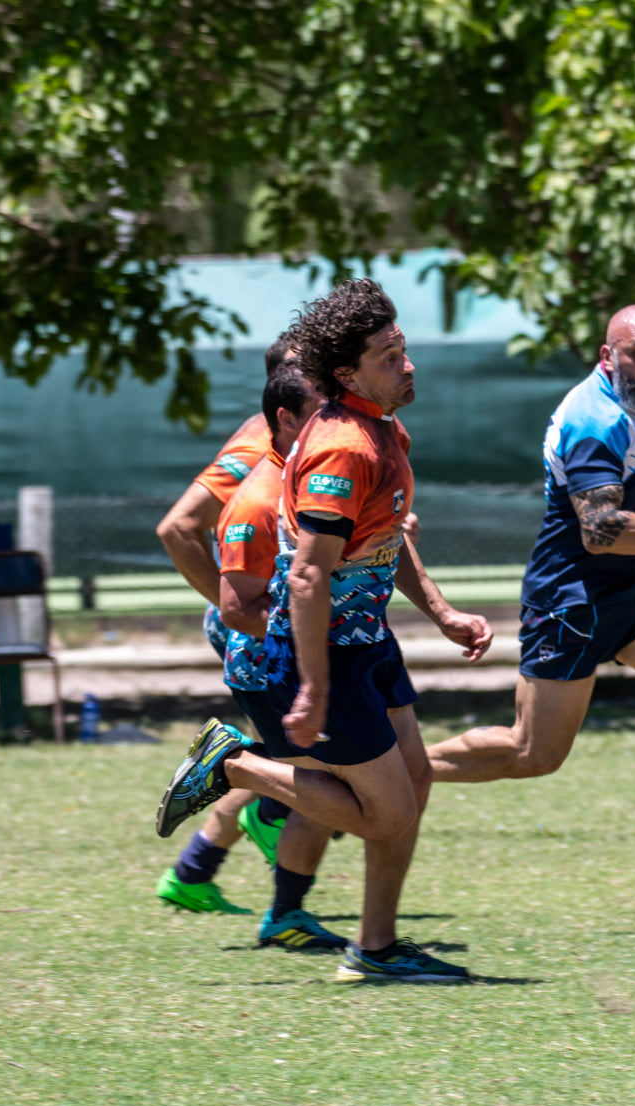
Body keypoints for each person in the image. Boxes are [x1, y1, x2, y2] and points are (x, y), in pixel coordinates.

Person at [156, 278, 494, 983]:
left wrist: (441, 611)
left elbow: (384, 540)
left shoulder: (382, 427)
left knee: (414, 783)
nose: (407, 365)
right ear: (347, 373)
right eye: (388, 355)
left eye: (403, 349)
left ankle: (375, 947)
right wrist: (310, 684)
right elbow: (308, 576)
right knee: (386, 813)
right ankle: (234, 765)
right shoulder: (343, 447)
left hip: (366, 642)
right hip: (329, 655)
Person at [423, 306, 635, 831]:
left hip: (631, 590)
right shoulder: (595, 420)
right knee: (533, 754)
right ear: (608, 355)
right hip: (571, 601)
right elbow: (600, 532)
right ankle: (397, 770)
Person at [153, 335, 298, 913]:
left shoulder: (321, 437)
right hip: (254, 621)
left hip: (277, 617)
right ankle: (272, 817)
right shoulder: (263, 440)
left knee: (296, 755)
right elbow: (178, 527)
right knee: (311, 761)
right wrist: (232, 606)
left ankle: (193, 872)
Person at [210, 363, 346, 951]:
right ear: (285, 420)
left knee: (331, 788)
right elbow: (236, 607)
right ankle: (238, 771)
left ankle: (284, 903)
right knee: (327, 788)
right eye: (319, 414)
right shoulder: (258, 498)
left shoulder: (306, 479)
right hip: (268, 668)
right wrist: (305, 636)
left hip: (301, 658)